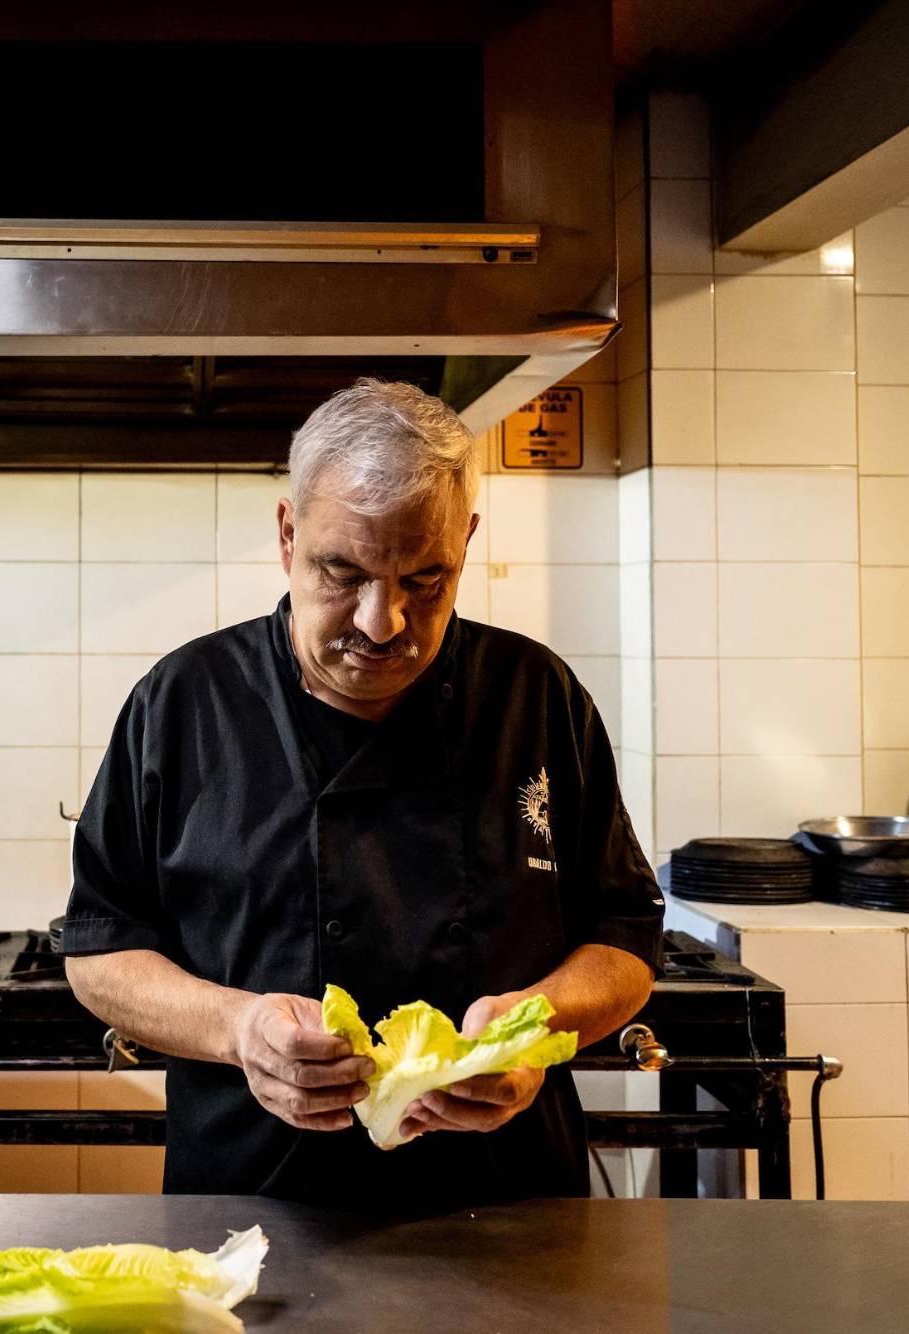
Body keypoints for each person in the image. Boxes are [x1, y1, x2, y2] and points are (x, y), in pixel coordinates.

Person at [62, 378, 663, 1215]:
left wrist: (534, 1025)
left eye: (427, 578)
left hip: (508, 1206)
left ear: (467, 542)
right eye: (342, 573)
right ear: (286, 534)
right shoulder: (183, 703)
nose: (384, 622)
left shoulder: (536, 695)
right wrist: (239, 1030)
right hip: (252, 1205)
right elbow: (99, 951)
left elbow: (626, 940)